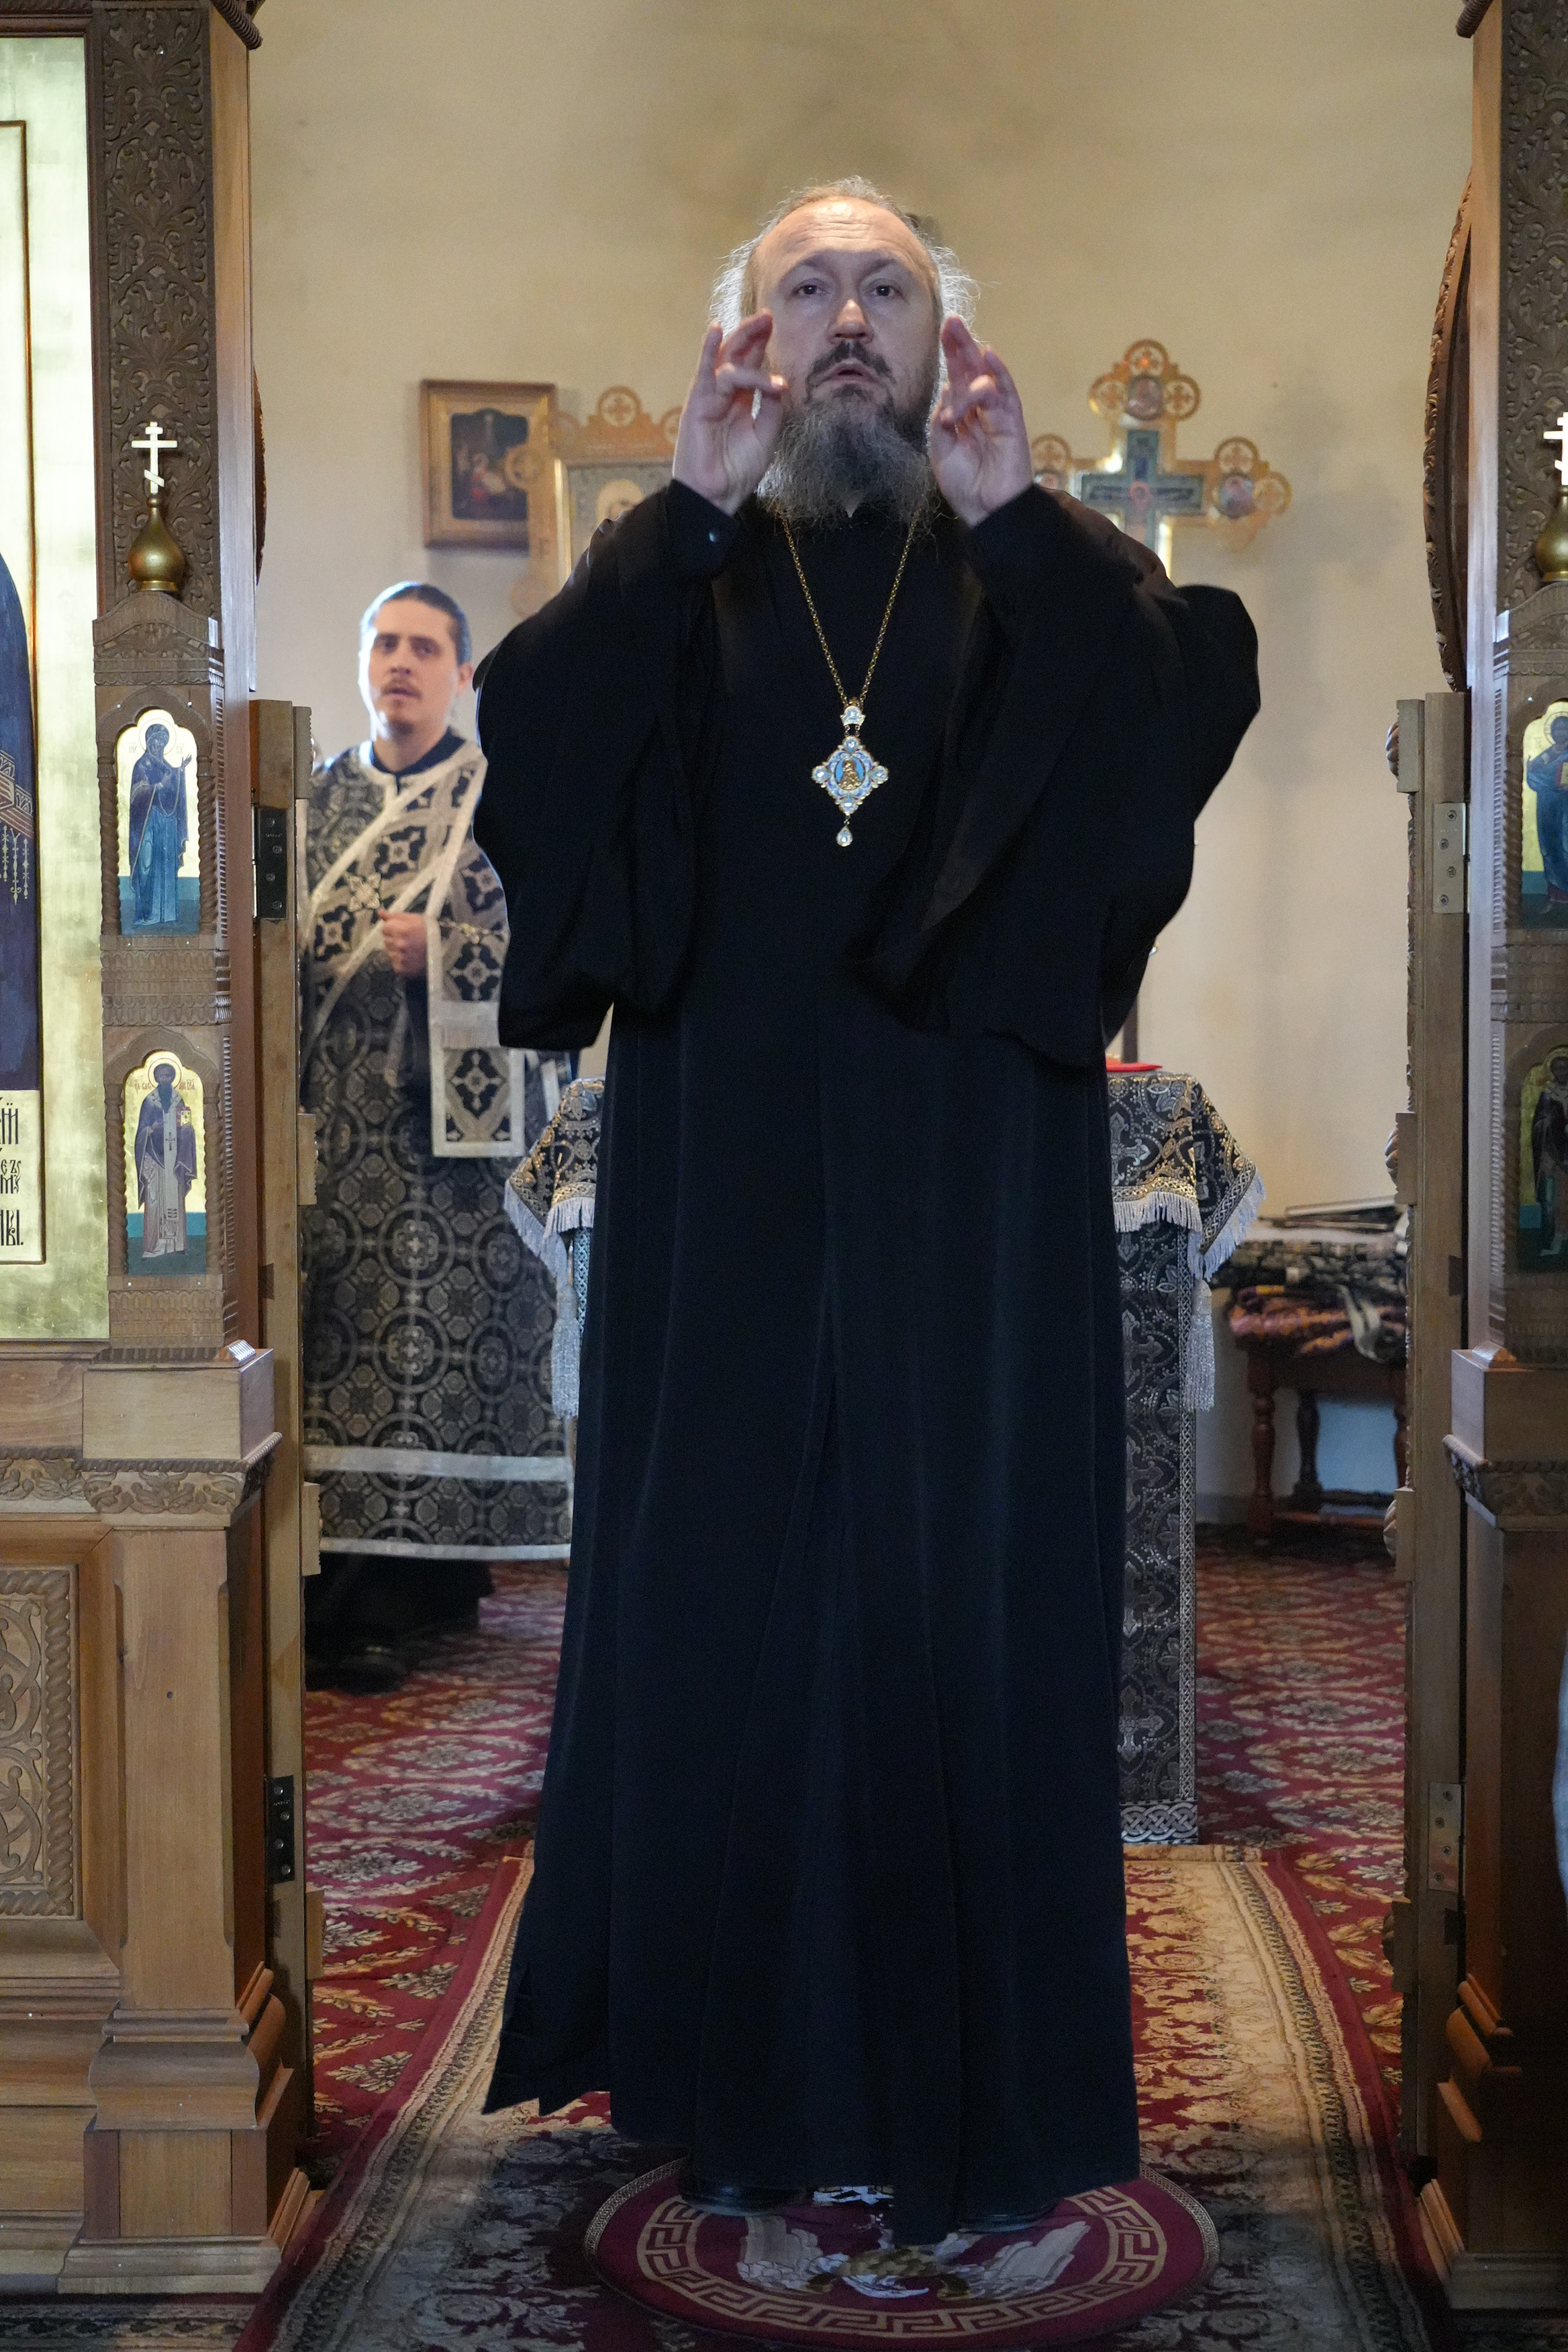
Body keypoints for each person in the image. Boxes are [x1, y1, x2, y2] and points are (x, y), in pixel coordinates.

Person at [473, 180, 1260, 2242]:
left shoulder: (1025, 557)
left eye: (883, 288)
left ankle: (962, 2085)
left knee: (951, 1604)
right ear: (747, 340)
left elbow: (1177, 722)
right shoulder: (686, 562)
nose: (843, 317)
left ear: (940, 341)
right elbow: (534, 758)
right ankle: (733, 2074)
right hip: (720, 1160)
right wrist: (675, 512)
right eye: (802, 286)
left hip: (966, 1167)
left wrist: (1026, 521)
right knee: (735, 1598)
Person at [300, 581, 571, 1692]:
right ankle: (354, 1595)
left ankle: (409, 1596)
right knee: (337, 1363)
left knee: (423, 1364)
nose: (401, 663)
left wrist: (450, 954)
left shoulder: (501, 797)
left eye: (424, 647)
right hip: (331, 1138)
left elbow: (561, 950)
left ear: (461, 673)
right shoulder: (313, 798)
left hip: (448, 1156)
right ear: (364, 662)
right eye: (386, 644)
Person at [128, 720, 191, 928]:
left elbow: (174, 786)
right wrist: (159, 785)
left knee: (166, 864)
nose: (159, 746)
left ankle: (167, 914)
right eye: (156, 741)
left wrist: (181, 771)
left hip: (167, 824)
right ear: (148, 742)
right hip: (149, 823)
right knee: (147, 864)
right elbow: (137, 794)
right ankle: (148, 913)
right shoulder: (142, 765)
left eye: (162, 742)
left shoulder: (166, 766)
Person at [134, 1061, 197, 1262]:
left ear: (172, 1078)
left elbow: (186, 1124)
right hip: (154, 1158)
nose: (165, 1080)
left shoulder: (178, 1100)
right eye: (161, 1076)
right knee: (154, 1199)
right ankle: (153, 1246)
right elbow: (141, 1132)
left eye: (168, 1076)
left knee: (175, 1198)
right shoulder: (149, 1102)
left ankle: (177, 1244)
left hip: (175, 1158)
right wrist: (151, 1129)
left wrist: (186, 1129)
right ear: (156, 1078)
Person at [1526, 709, 1568, 910]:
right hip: (1547, 807)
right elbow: (1534, 776)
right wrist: (1537, 774)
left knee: (1566, 846)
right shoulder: (1549, 754)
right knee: (1550, 848)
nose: (1560, 733)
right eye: (1556, 729)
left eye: (1564, 729)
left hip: (1565, 807)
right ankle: (1556, 897)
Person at [1532, 1051, 1568, 1259]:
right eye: (1558, 1069)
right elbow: (1538, 1123)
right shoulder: (1547, 1095)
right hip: (1553, 1152)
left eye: (1565, 1068)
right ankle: (1555, 1239)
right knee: (1552, 1198)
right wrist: (1545, 1123)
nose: (1562, 1072)